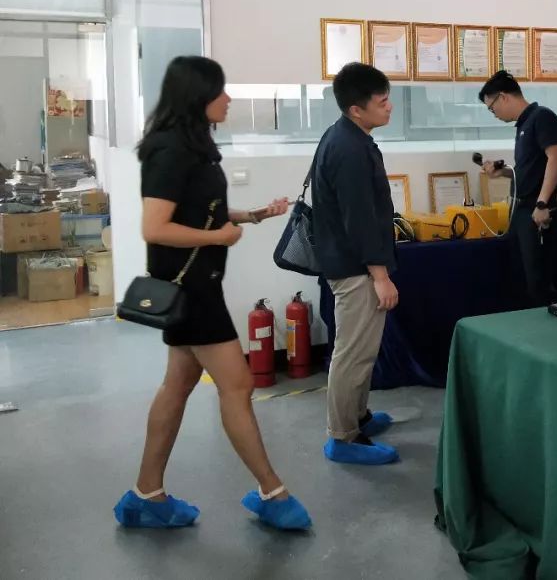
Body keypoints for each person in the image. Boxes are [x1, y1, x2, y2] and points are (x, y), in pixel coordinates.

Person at [114, 56, 311, 531]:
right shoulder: (169, 150)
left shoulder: (192, 146)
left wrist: (250, 215)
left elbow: (198, 209)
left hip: (199, 284)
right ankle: (273, 492)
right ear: (197, 95)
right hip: (191, 290)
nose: (228, 99)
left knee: (177, 385)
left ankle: (145, 494)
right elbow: (155, 227)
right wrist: (218, 237)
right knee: (238, 386)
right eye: (221, 91)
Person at [313, 62, 400, 466]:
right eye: (382, 102)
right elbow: (359, 219)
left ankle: (358, 415)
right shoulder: (348, 149)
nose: (390, 107)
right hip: (355, 269)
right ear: (356, 109)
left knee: (364, 349)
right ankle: (343, 436)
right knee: (353, 353)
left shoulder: (349, 136)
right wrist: (379, 275)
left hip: (352, 263)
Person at [479, 71, 557, 306]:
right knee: (519, 278)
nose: (494, 114)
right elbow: (530, 168)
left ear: (503, 97)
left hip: (537, 210)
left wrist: (542, 203)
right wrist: (502, 172)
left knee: (537, 280)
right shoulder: (524, 124)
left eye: (492, 108)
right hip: (520, 210)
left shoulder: (542, 117)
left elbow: (555, 158)